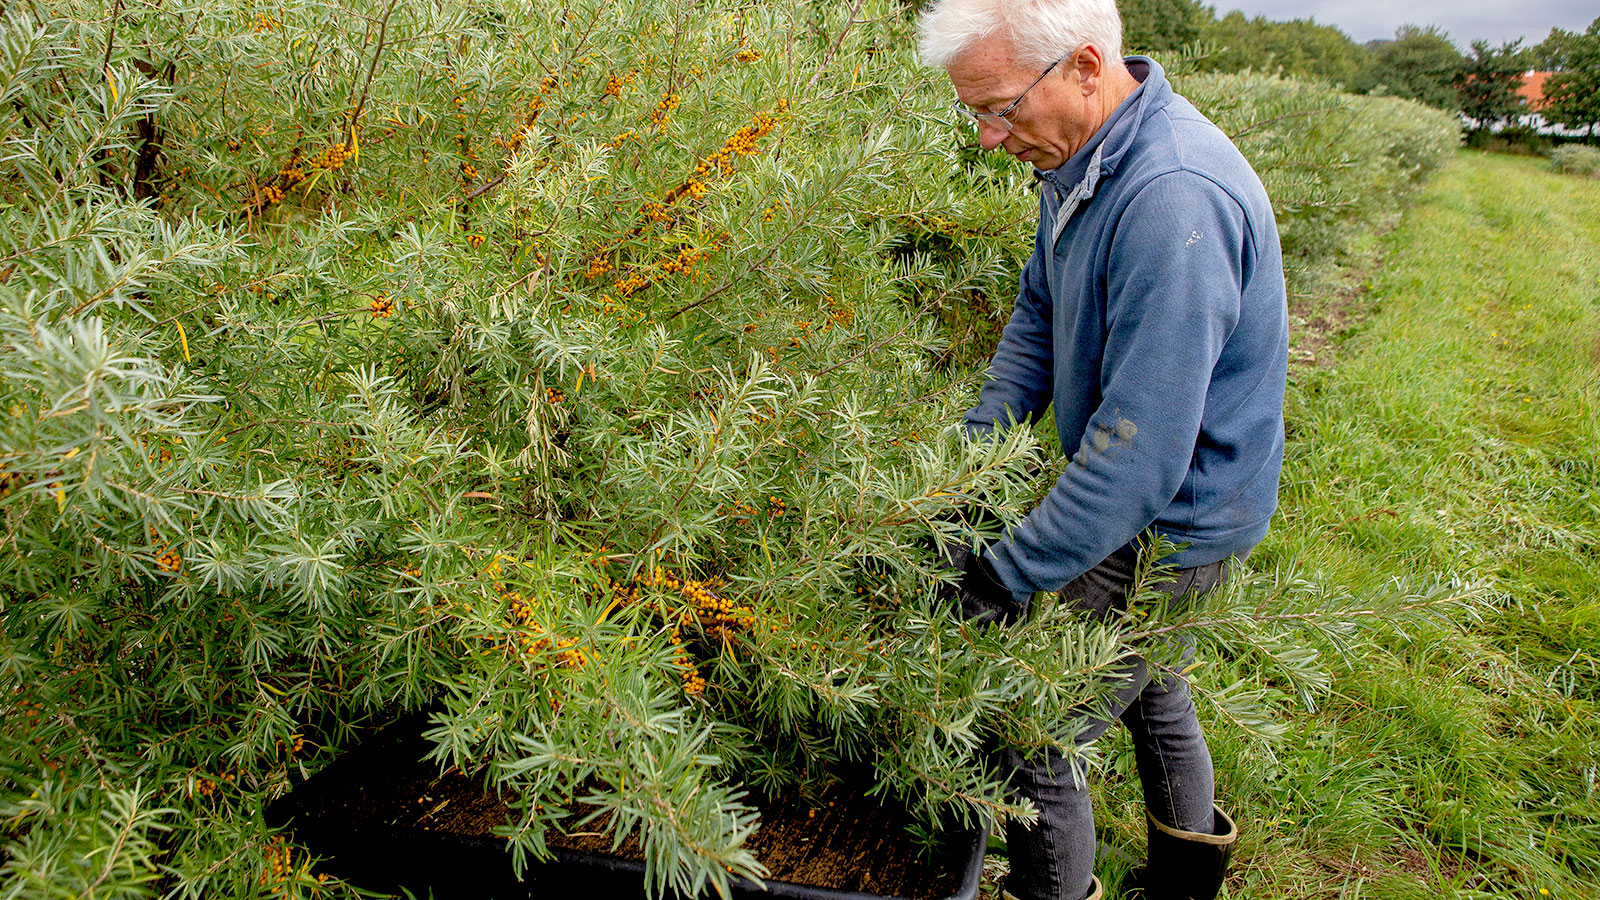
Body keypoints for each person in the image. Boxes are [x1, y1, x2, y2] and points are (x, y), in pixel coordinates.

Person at [917, 2, 1289, 899]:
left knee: (1035, 734)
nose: (987, 136)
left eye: (1001, 108)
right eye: (975, 111)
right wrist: (970, 470)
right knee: (1155, 689)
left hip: (1173, 520)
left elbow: (1136, 459)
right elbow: (1038, 317)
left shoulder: (1170, 199)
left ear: (1085, 65)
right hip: (1146, 489)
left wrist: (1002, 571)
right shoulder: (1085, 155)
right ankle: (1186, 885)